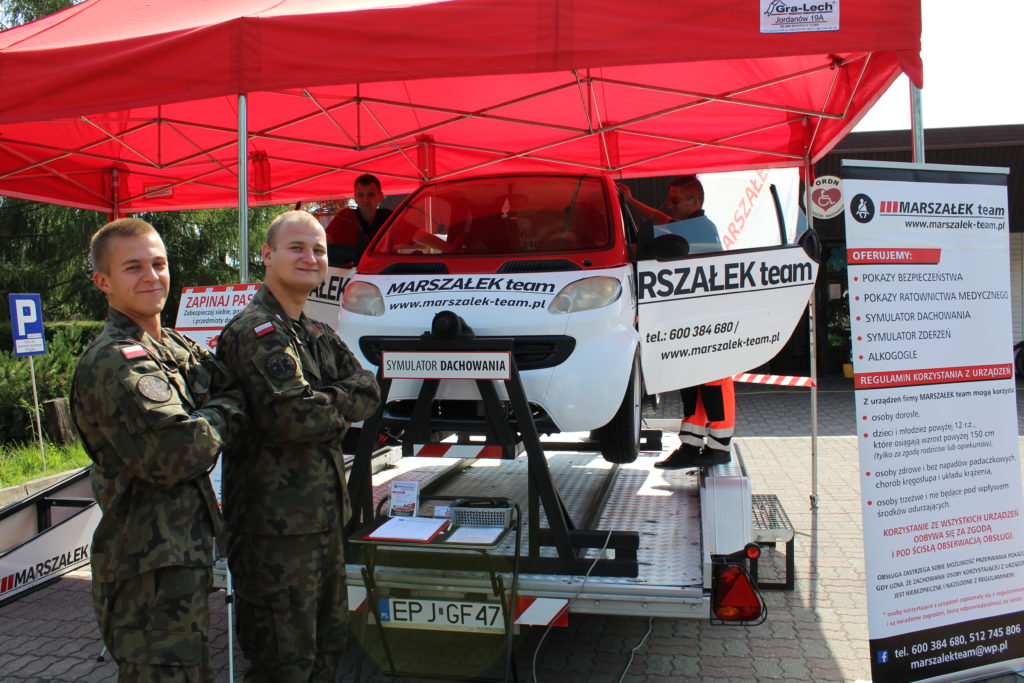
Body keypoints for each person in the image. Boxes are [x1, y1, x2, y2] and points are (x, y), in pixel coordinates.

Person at [71, 218, 247, 682]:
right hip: (145, 569)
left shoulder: (171, 345)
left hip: (179, 555)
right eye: (133, 268)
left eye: (159, 264)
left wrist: (215, 410)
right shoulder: (115, 360)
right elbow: (177, 454)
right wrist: (225, 410)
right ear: (103, 282)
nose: (151, 277)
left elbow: (234, 387)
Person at [217, 210, 381, 682]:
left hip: (322, 522)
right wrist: (337, 402)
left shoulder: (314, 332)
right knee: (283, 664)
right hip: (274, 534)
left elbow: (370, 390)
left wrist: (323, 400)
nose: (310, 258)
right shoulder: (255, 331)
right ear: (267, 255)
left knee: (327, 651)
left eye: (318, 250)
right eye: (297, 248)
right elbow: (295, 417)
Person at [620, 175, 736, 470]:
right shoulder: (688, 225)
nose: (668, 204)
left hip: (709, 321)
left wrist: (629, 251)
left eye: (675, 200)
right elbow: (664, 219)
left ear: (695, 201)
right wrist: (632, 202)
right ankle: (691, 445)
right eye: (668, 199)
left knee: (713, 382)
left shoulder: (700, 229)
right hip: (693, 320)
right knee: (694, 383)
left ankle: (720, 447)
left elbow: (658, 238)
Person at [324, 173, 392, 263]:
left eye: (370, 194)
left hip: (384, 267)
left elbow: (409, 237)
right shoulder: (346, 217)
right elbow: (325, 239)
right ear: (355, 197)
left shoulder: (389, 217)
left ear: (380, 196)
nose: (365, 200)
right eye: (360, 195)